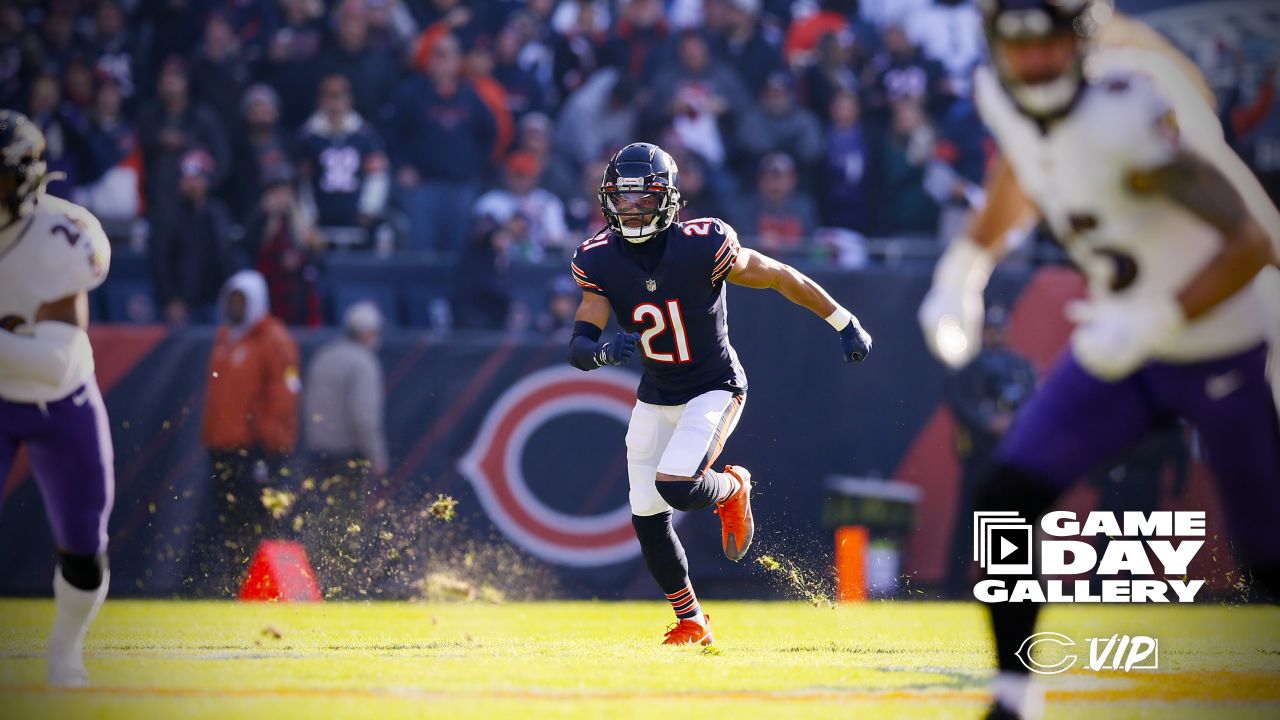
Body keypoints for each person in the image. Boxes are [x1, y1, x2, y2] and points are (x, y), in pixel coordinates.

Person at [915, 3, 1280, 719]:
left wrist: (1162, 316)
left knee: (1268, 556)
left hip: (1217, 339)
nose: (1034, 64)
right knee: (1007, 497)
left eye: (1048, 45)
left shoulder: (1130, 109)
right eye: (1017, 49)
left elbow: (1252, 240)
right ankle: (1015, 698)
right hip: (1120, 337)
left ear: (1078, 44)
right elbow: (1025, 168)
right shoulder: (999, 92)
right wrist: (965, 266)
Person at [568, 142, 872, 645]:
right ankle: (692, 621)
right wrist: (601, 352)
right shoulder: (598, 258)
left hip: (714, 386)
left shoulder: (703, 244)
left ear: (667, 198)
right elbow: (579, 342)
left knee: (677, 485)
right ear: (607, 200)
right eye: (623, 199)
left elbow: (777, 276)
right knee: (646, 514)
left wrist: (843, 319)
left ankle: (733, 487)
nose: (632, 209)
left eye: (644, 198)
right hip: (657, 393)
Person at [0, 112, 113, 687]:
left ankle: (65, 651)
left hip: (59, 399)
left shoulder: (63, 235)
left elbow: (53, 361)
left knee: (84, 546)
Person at [200, 270, 301, 594]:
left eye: (241, 300)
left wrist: (268, 445)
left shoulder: (273, 339)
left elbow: (282, 396)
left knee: (256, 519)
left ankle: (265, 586)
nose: (234, 307)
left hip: (254, 447)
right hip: (223, 445)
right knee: (227, 520)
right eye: (231, 299)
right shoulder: (226, 338)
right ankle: (235, 582)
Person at [942, 306, 1035, 599]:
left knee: (1012, 523)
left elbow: (1034, 401)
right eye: (991, 328)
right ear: (983, 332)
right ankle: (954, 588)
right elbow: (959, 402)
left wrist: (1013, 422)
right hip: (979, 455)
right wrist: (989, 422)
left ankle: (1012, 586)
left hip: (1011, 457)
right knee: (968, 522)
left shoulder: (1020, 366)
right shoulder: (970, 365)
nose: (996, 334)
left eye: (1000, 328)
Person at [301, 300, 388, 596]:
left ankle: (306, 579)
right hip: (349, 453)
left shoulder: (325, 355)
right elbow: (364, 415)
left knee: (320, 516)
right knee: (347, 521)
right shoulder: (362, 362)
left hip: (320, 449)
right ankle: (340, 585)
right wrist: (376, 453)